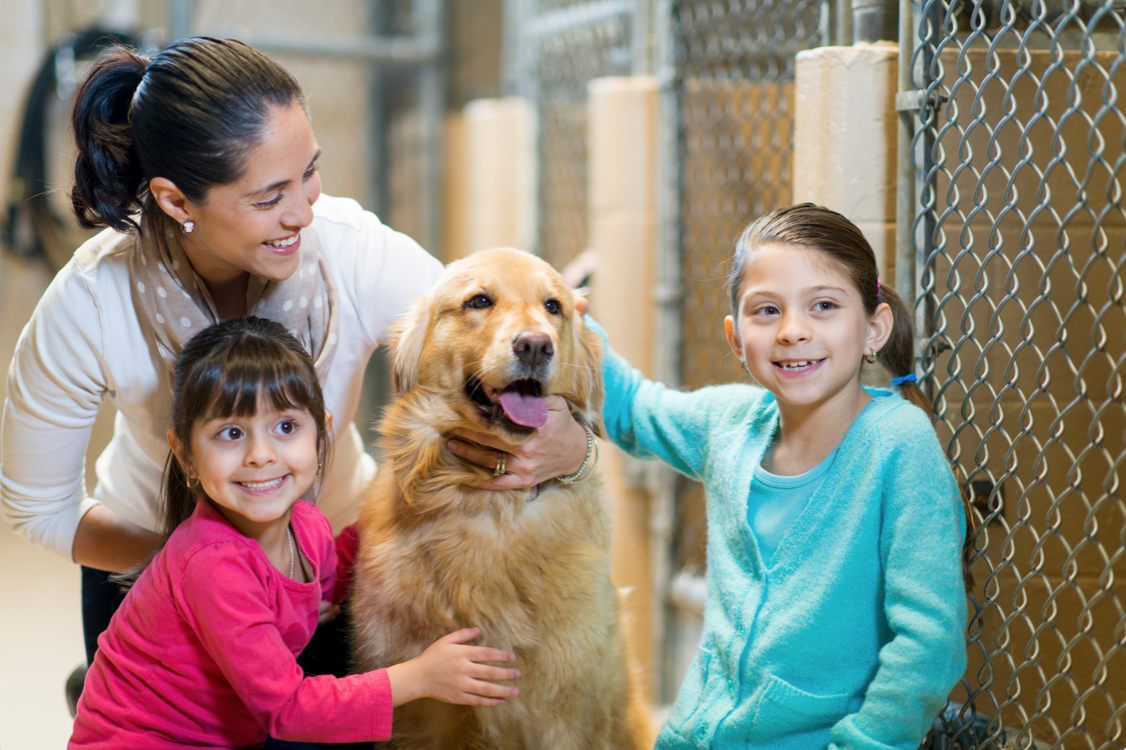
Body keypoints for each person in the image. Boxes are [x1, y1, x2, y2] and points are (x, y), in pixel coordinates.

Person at [0, 36, 587, 678]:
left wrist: (572, 445)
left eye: (309, 171)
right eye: (268, 196)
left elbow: (495, 331)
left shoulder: (349, 249)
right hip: (153, 565)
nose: (305, 211)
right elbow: (38, 506)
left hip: (330, 569)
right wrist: (202, 563)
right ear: (174, 201)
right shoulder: (92, 298)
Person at [589, 204, 968, 749]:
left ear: (873, 328)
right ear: (736, 337)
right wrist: (552, 312)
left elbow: (929, 643)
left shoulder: (898, 444)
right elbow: (632, 408)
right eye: (766, 311)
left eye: (824, 306)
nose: (793, 331)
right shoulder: (730, 423)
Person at [68, 317, 520, 748]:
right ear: (185, 454)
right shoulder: (211, 563)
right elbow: (288, 712)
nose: (261, 455)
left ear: (322, 435)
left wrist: (408, 500)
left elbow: (334, 570)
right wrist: (421, 675)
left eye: (286, 427)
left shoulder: (307, 526)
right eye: (230, 433)